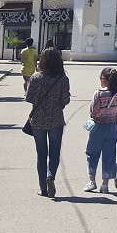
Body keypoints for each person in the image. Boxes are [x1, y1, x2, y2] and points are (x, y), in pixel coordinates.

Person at [25, 47, 71, 197]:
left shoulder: (35, 77)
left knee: (41, 154)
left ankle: (43, 188)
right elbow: (65, 100)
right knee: (54, 152)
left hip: (38, 120)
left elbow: (29, 98)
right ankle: (51, 175)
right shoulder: (63, 79)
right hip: (56, 119)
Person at [84, 67, 117, 193]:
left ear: (104, 80)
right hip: (112, 126)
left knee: (92, 153)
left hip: (98, 126)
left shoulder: (98, 94)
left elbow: (93, 111)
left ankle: (92, 181)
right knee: (109, 155)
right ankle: (105, 184)